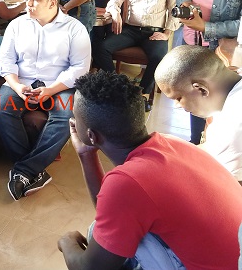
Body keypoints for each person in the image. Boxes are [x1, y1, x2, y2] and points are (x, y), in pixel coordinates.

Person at [58, 71, 242, 270]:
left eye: (75, 116)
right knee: (112, 230)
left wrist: (66, 241)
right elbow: (113, 209)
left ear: (91, 135)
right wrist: (86, 155)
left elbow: (90, 268)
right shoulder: (171, 143)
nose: (73, 119)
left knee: (96, 232)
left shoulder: (127, 184)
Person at [0, 0, 91, 201]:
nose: (28, 4)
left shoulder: (75, 29)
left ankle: (24, 171)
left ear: (52, 3)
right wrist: (17, 86)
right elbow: (6, 60)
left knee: (66, 115)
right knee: (0, 108)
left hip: (59, 84)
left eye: (35, 0)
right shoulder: (17, 25)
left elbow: (80, 68)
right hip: (22, 81)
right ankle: (33, 170)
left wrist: (51, 89)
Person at [175, 0, 242, 144]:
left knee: (217, 102)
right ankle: (195, 142)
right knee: (195, 95)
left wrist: (206, 27)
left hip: (222, 52)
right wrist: (185, 2)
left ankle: (212, 148)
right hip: (191, 41)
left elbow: (241, 24)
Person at [92, 0, 177, 112]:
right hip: (131, 30)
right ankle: (119, 87)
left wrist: (167, 33)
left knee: (159, 56)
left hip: (154, 32)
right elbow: (113, 2)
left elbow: (174, 9)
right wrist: (115, 13)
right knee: (100, 47)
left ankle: (142, 95)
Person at [155, 45, 242, 183]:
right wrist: (172, 150)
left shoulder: (233, 125)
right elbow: (212, 148)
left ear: (201, 89)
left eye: (178, 98)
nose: (177, 105)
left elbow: (227, 188)